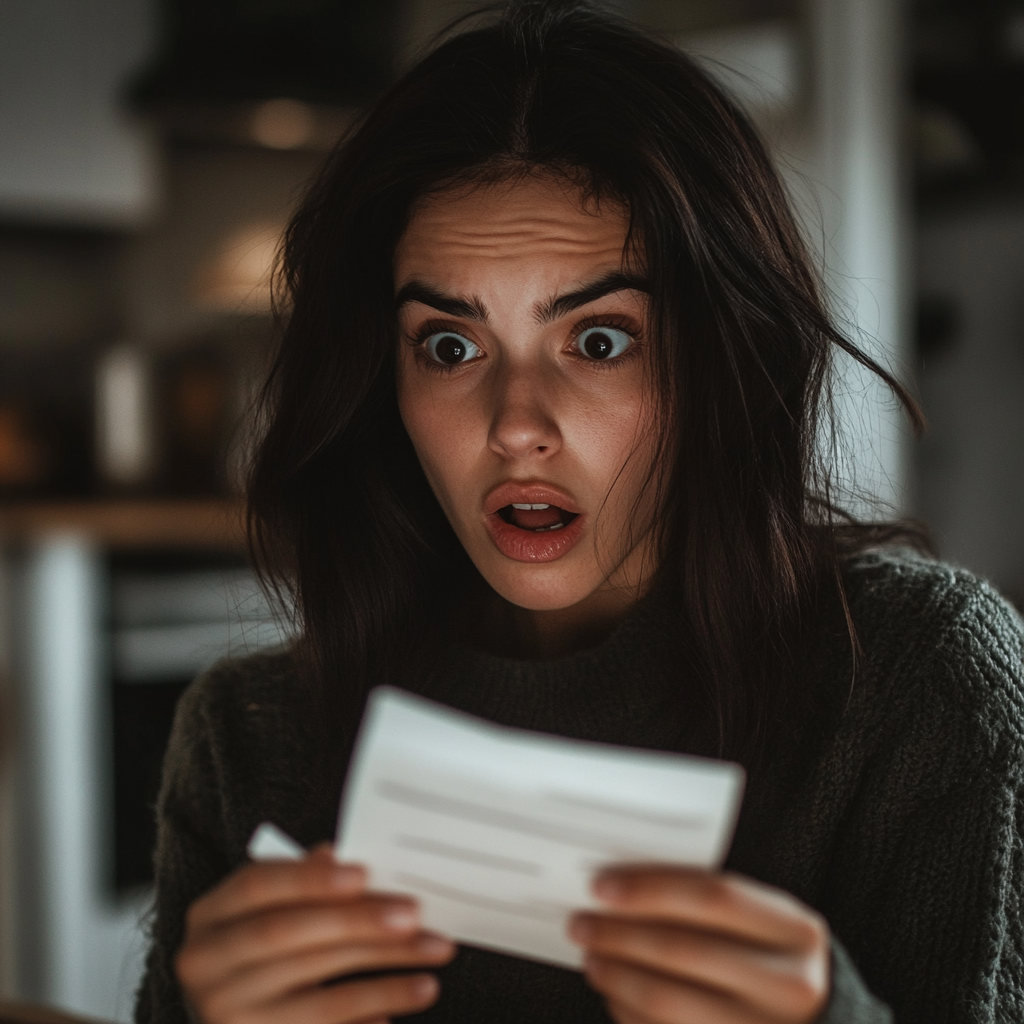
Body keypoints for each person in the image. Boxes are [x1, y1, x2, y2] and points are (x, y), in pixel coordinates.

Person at [135, 4, 1024, 1024]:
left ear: (721, 362)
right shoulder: (249, 737)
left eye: (599, 340)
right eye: (448, 346)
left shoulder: (920, 682)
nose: (517, 427)